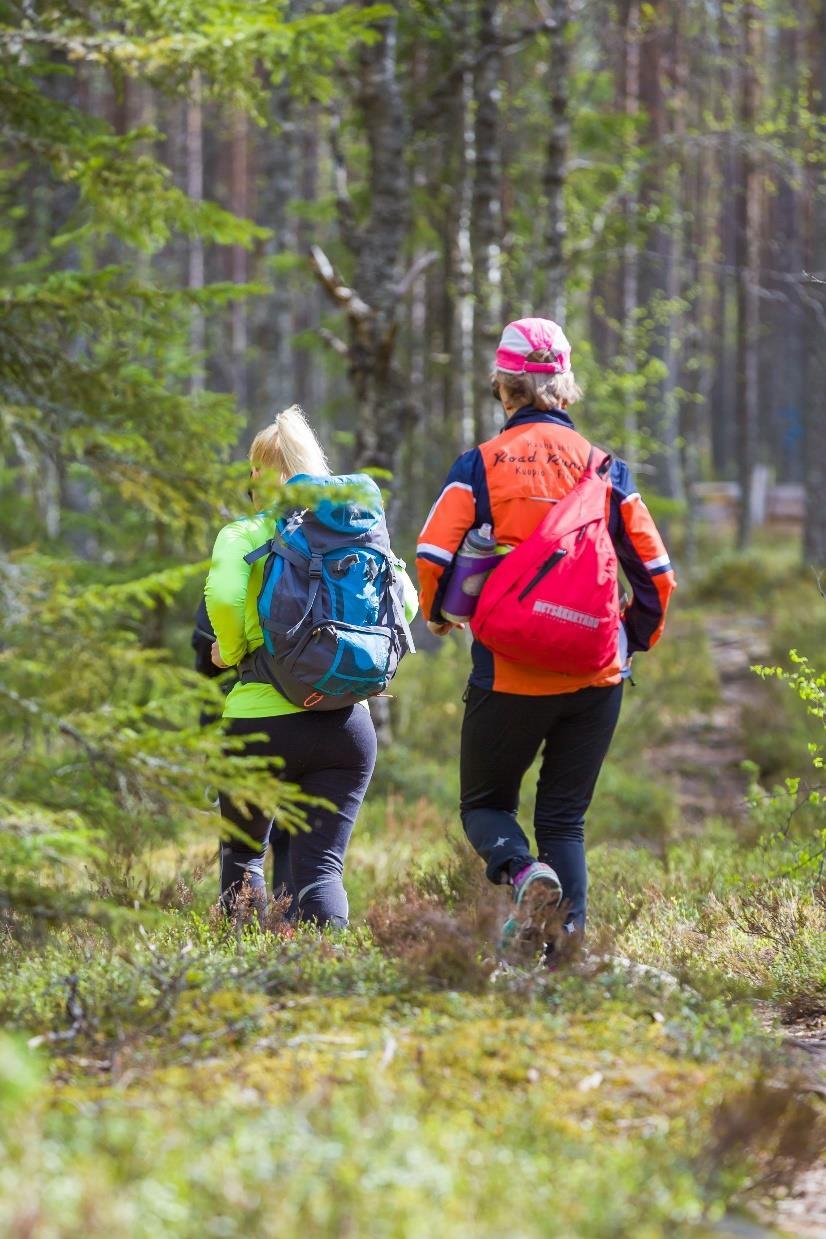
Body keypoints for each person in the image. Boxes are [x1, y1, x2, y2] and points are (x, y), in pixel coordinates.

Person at [416, 318, 676, 954]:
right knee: (564, 817)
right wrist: (628, 639)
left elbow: (431, 551)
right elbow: (658, 573)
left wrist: (438, 613)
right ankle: (568, 955)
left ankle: (523, 872)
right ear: (563, 387)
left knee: (484, 804)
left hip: (508, 671)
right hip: (594, 673)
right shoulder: (606, 469)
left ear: (503, 387)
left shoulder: (479, 464)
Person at [205, 404, 417, 927]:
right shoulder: (354, 534)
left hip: (260, 721)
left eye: (254, 470)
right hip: (347, 725)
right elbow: (406, 603)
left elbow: (228, 598)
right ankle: (331, 982)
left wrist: (230, 651)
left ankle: (246, 980)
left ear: (266, 474)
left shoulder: (244, 534)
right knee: (322, 869)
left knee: (244, 860)